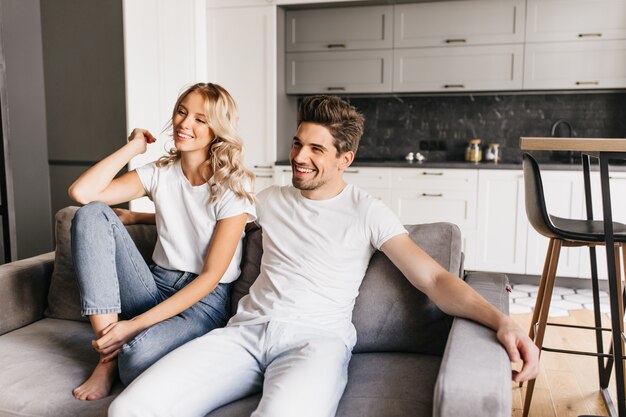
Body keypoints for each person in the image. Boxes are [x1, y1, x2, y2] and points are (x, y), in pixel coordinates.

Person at [109, 95, 539, 417]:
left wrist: (502, 320)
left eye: (316, 149)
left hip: (314, 343)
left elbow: (434, 280)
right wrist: (137, 216)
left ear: (344, 159)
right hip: (241, 335)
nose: (298, 157)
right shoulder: (268, 198)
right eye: (298, 144)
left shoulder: (368, 211)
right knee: (129, 410)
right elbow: (208, 223)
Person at [68, 83, 256, 401]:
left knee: (136, 361)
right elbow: (83, 194)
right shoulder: (160, 172)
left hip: (202, 304)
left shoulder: (233, 186)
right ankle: (107, 359)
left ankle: (120, 354)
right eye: (182, 112)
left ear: (218, 130)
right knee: (89, 213)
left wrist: (133, 326)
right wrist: (133, 148)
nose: (185, 123)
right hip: (153, 283)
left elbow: (211, 277)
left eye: (200, 118)